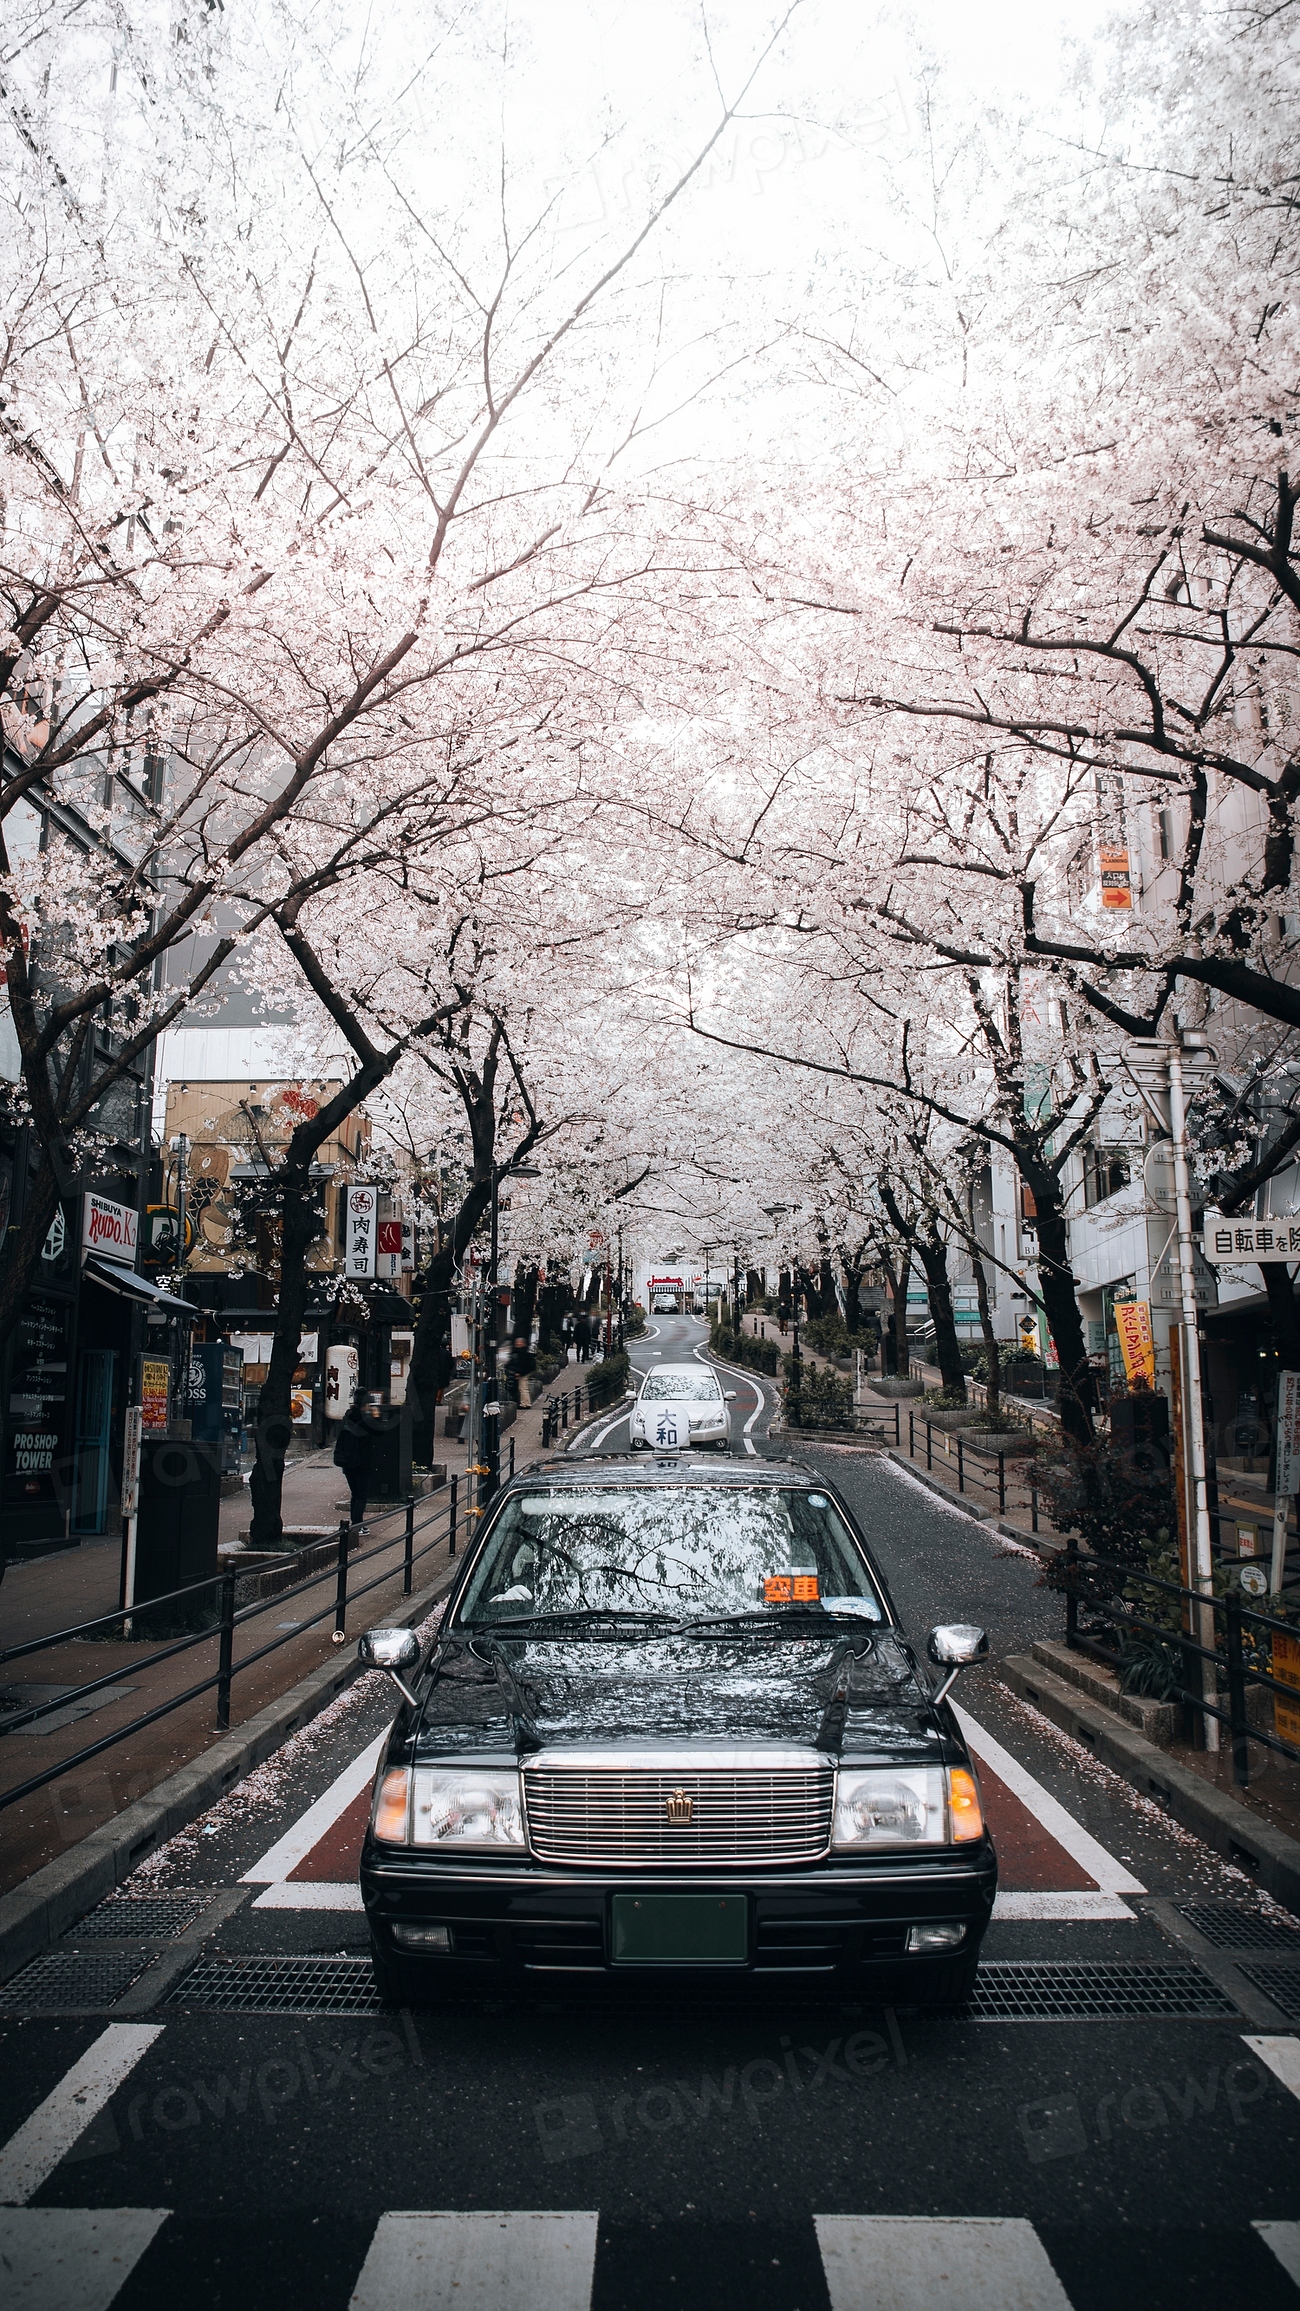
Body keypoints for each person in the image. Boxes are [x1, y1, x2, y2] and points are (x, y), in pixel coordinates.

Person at [332, 1390, 385, 1526]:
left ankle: (353, 1524)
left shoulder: (347, 1416)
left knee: (355, 1493)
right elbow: (380, 1432)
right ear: (366, 1404)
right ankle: (358, 1525)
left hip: (346, 1460)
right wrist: (377, 1416)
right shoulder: (367, 1419)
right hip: (362, 1461)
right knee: (361, 1494)